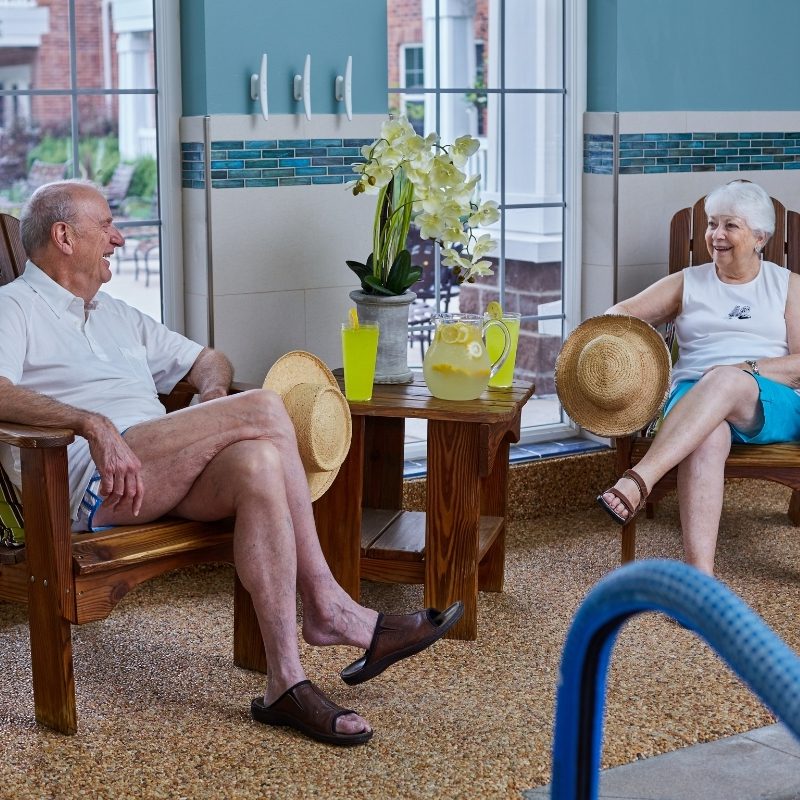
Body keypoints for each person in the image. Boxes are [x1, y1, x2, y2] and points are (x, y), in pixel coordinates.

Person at [0, 180, 463, 746]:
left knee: (261, 462)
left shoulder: (117, 314)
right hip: (97, 482)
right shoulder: (14, 307)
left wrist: (215, 401)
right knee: (267, 406)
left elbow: (207, 359)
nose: (118, 238)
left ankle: (284, 683)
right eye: (106, 226)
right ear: (64, 236)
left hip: (161, 468)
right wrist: (89, 423)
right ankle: (328, 605)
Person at [598, 179, 800, 576]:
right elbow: (618, 315)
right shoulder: (688, 282)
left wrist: (744, 370)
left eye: (730, 226)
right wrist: (636, 356)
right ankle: (699, 578)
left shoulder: (787, 286)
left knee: (724, 380)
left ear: (759, 236)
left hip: (771, 398)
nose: (716, 235)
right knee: (708, 435)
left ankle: (640, 479)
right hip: (693, 399)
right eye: (711, 224)